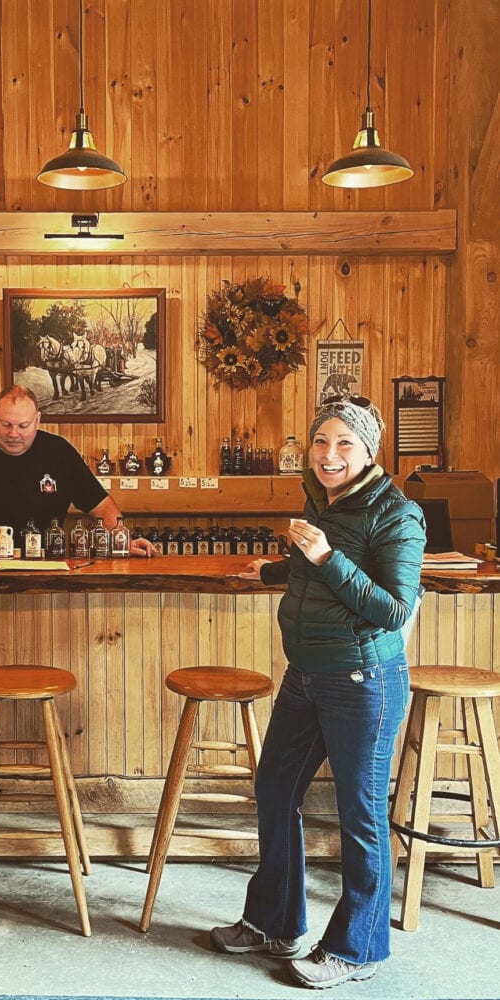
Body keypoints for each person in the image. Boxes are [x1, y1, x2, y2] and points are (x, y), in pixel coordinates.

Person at [210, 397, 425, 989]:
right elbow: (321, 573)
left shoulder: (397, 514)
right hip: (306, 672)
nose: (330, 455)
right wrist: (276, 571)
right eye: (321, 442)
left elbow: (394, 607)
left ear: (369, 451)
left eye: (344, 444)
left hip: (364, 681)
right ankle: (274, 922)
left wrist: (324, 557)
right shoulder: (323, 501)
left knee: (360, 815)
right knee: (276, 789)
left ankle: (359, 949)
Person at [0, 385, 155, 558]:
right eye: (6, 424)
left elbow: (100, 505)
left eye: (23, 425)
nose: (13, 433)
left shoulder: (59, 452)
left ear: (37, 421)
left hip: (45, 563)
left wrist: (122, 539)